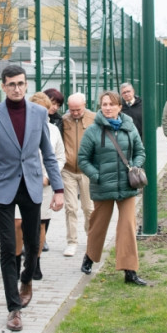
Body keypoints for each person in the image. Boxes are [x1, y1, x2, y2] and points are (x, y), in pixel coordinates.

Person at [0, 65, 65, 332]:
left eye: (21, 83)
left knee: (33, 242)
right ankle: (14, 309)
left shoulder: (39, 113)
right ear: (3, 86)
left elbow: (48, 155)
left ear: (26, 85)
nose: (17, 88)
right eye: (11, 84)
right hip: (3, 189)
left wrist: (59, 189)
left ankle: (27, 277)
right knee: (7, 248)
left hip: (31, 185)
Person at [78, 91, 148, 285]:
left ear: (119, 107)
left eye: (111, 104)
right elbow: (83, 159)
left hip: (127, 185)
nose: (107, 107)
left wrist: (135, 165)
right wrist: (97, 176)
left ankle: (130, 271)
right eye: (104, 104)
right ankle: (90, 256)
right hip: (103, 186)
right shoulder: (93, 131)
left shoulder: (129, 127)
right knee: (98, 225)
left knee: (128, 226)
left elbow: (140, 151)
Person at [25, 91, 65, 278]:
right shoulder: (22, 128)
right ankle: (22, 258)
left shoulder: (54, 130)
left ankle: (35, 262)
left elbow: (59, 157)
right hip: (23, 184)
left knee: (41, 225)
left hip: (45, 185)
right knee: (22, 225)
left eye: (45, 110)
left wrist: (49, 178)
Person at [60, 92, 95, 256]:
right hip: (68, 169)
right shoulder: (64, 120)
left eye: (78, 109)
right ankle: (72, 241)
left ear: (85, 105)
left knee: (88, 207)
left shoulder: (94, 119)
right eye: (71, 109)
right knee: (71, 207)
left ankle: (91, 237)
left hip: (87, 169)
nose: (74, 113)